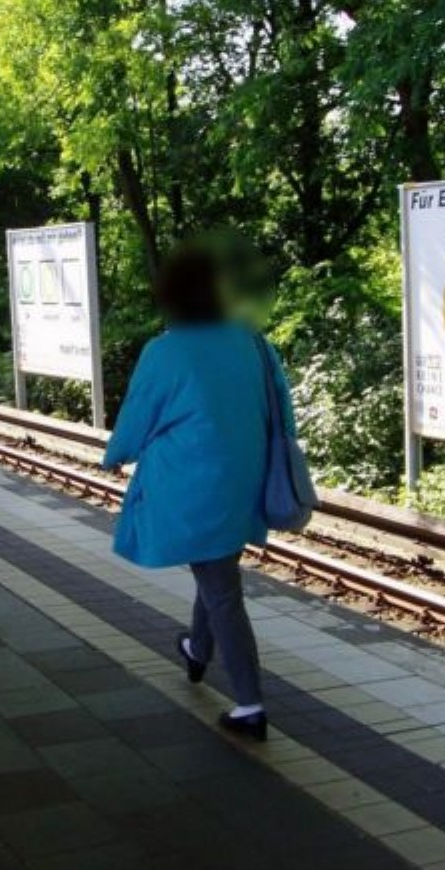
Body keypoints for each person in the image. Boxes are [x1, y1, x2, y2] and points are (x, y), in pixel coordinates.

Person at [102, 245, 297, 741]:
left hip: (189, 486)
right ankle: (197, 649)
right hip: (245, 479)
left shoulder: (165, 351)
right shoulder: (253, 343)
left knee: (221, 587)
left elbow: (138, 414)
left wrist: (115, 454)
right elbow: (283, 410)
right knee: (216, 568)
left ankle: (250, 704)